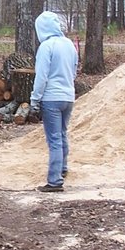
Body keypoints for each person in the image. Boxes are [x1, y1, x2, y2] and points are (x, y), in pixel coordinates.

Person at [30, 11, 78, 192]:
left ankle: (54, 180)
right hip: (68, 96)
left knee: (54, 139)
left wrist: (35, 99)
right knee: (63, 134)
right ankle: (63, 168)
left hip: (51, 98)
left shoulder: (46, 46)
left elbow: (41, 76)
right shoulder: (69, 45)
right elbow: (74, 71)